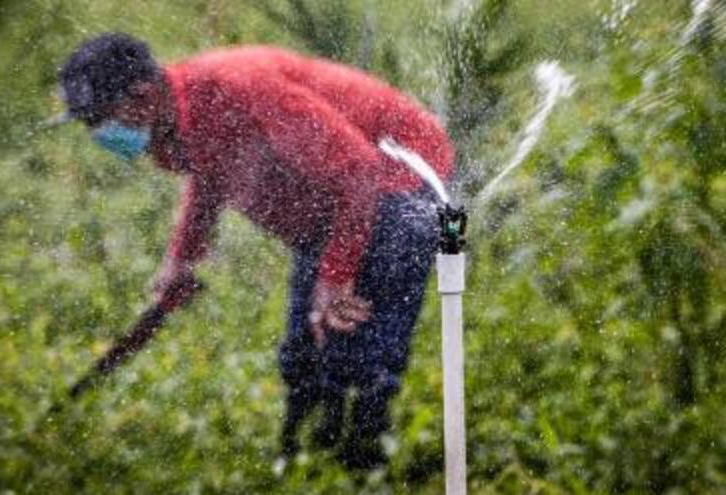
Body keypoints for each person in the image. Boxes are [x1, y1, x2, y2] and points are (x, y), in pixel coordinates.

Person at [58, 32, 454, 469]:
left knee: (351, 347)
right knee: (301, 355)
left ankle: (360, 465)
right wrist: (181, 259)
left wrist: (335, 278)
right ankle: (298, 457)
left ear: (143, 95)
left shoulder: (239, 88)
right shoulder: (177, 118)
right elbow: (210, 176)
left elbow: (360, 172)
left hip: (399, 182)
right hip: (336, 199)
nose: (98, 133)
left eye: (100, 120)